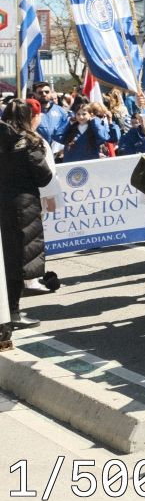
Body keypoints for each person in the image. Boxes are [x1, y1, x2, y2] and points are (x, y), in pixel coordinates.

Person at [0, 100, 53, 329]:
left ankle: (9, 312)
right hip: (23, 206)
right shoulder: (30, 142)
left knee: (5, 261)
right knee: (18, 261)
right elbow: (44, 176)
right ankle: (13, 313)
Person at [32, 81, 69, 146]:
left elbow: (67, 129)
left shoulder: (60, 110)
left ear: (51, 93)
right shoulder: (30, 111)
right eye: (40, 92)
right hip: (38, 149)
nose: (44, 94)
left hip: (58, 150)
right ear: (34, 94)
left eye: (47, 92)